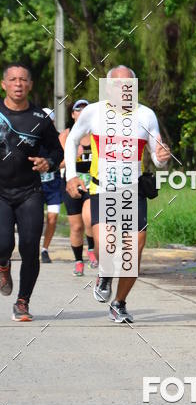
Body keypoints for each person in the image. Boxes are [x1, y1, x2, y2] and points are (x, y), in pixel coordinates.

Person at [64, 66, 171, 323]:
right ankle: (105, 273)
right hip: (103, 188)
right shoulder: (94, 112)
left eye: (128, 85)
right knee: (107, 244)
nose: (123, 90)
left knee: (134, 253)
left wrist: (163, 157)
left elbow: (157, 158)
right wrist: (71, 176)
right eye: (117, 85)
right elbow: (71, 140)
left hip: (134, 190)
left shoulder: (146, 115)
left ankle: (119, 303)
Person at [0, 63, 64, 321]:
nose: (18, 84)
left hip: (30, 192)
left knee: (29, 247)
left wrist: (47, 162)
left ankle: (23, 301)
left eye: (23, 80)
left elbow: (56, 150)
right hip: (0, 193)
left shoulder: (40, 119)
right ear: (4, 84)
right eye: (13, 79)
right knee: (3, 243)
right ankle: (3, 264)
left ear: (30, 85)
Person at [58, 99, 97, 275]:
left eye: (85, 109)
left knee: (89, 218)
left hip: (92, 184)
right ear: (72, 114)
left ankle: (92, 250)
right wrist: (72, 157)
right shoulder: (66, 136)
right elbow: (57, 164)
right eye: (77, 109)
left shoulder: (97, 133)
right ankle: (78, 261)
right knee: (76, 227)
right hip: (71, 184)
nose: (81, 112)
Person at [39, 107, 62, 264]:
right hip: (34, 186)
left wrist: (50, 164)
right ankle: (31, 247)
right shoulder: (31, 138)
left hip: (53, 185)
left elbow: (66, 158)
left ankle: (45, 249)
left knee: (52, 218)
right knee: (34, 220)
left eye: (49, 121)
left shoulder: (58, 138)